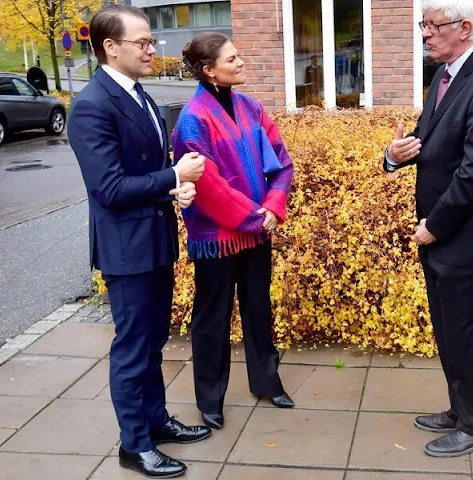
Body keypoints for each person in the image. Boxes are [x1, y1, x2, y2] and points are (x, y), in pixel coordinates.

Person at [67, 5, 211, 478]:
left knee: (152, 342)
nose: (153, 50)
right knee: (132, 348)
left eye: (152, 42)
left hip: (154, 238)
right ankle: (134, 445)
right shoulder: (92, 105)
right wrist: (173, 173)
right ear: (111, 46)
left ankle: (155, 422)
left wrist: (176, 187)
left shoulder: (140, 95)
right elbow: (108, 189)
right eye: (144, 42)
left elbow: (142, 171)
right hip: (126, 249)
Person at [383, 0, 473, 458]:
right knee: (446, 330)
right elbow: (428, 138)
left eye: (431, 25)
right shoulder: (443, 74)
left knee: (462, 331)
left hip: (465, 236)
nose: (425, 33)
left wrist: (435, 226)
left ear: (463, 28)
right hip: (438, 232)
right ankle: (460, 410)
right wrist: (395, 155)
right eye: (424, 24)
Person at [172, 32, 295, 431]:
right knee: (213, 319)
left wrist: (274, 206)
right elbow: (207, 186)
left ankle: (266, 382)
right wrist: (256, 218)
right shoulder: (193, 118)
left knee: (260, 310)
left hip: (258, 231)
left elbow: (281, 163)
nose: (241, 63)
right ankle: (210, 399)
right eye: (232, 59)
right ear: (209, 71)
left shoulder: (252, 108)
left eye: (239, 56)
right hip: (217, 241)